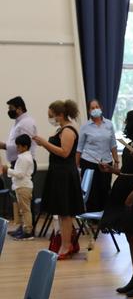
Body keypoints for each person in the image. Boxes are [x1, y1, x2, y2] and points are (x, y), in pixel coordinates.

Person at [100, 110, 133, 296]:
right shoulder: (132, 144)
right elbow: (125, 172)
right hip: (125, 191)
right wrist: (110, 170)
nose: (124, 124)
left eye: (127, 121)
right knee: (131, 236)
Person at [33, 100, 85, 260]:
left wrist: (44, 143)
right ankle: (66, 242)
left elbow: (64, 152)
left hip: (65, 175)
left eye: (51, 116)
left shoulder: (68, 130)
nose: (50, 118)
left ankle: (66, 245)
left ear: (60, 115)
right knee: (62, 213)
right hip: (59, 173)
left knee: (65, 212)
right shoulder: (61, 129)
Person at [76, 99, 119, 212]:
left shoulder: (109, 124)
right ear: (89, 110)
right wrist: (77, 167)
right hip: (89, 161)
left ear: (101, 108)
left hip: (106, 162)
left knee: (105, 189)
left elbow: (113, 144)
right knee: (91, 191)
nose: (95, 109)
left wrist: (116, 161)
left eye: (97, 107)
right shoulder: (85, 126)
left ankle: (104, 216)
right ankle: (92, 217)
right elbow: (79, 148)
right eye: (92, 108)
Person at [2, 134, 34, 240]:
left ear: (25, 147)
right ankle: (24, 229)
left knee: (25, 210)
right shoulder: (23, 157)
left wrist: (8, 170)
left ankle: (28, 231)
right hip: (21, 186)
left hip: (23, 186)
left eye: (18, 146)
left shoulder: (25, 158)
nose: (17, 148)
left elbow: (20, 174)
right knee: (23, 210)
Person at [2, 96, 37, 165]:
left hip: (23, 163)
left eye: (11, 108)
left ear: (19, 109)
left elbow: (24, 145)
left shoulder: (26, 123)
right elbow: (15, 141)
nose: (9, 111)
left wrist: (4, 146)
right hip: (19, 162)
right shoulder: (19, 122)